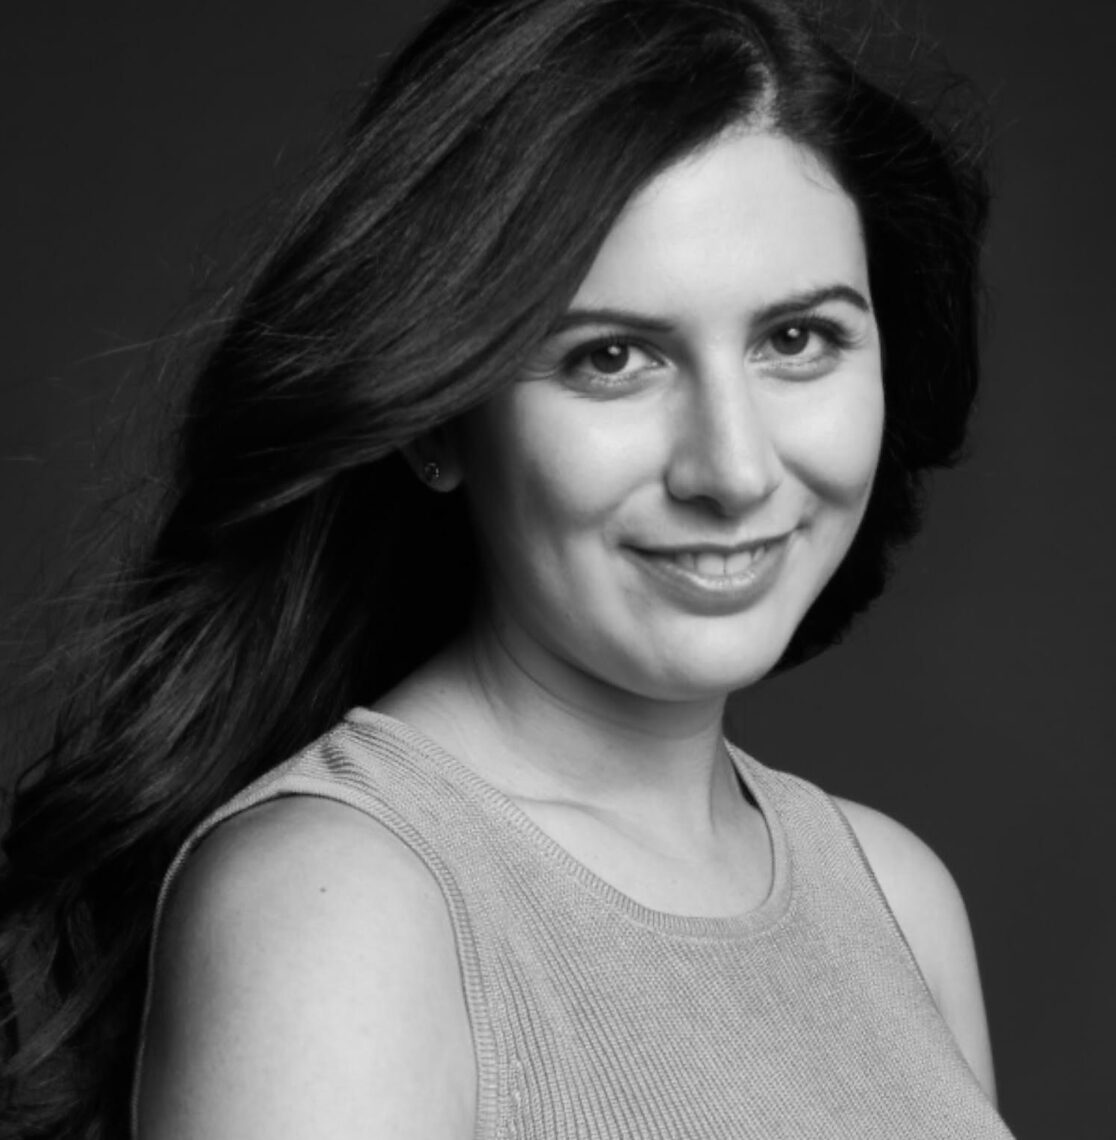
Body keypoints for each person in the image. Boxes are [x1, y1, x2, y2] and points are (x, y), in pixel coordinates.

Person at [0, 0, 1015, 1136]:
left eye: (796, 340)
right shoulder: (342, 908)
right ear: (437, 420)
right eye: (612, 358)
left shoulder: (895, 897)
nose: (732, 468)